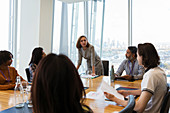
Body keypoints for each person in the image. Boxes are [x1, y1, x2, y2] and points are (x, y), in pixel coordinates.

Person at [104, 43, 167, 113]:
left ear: (143, 57)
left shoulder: (151, 75)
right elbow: (145, 91)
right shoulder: (159, 71)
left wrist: (114, 99)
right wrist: (127, 92)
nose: (137, 57)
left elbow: (138, 108)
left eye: (138, 55)